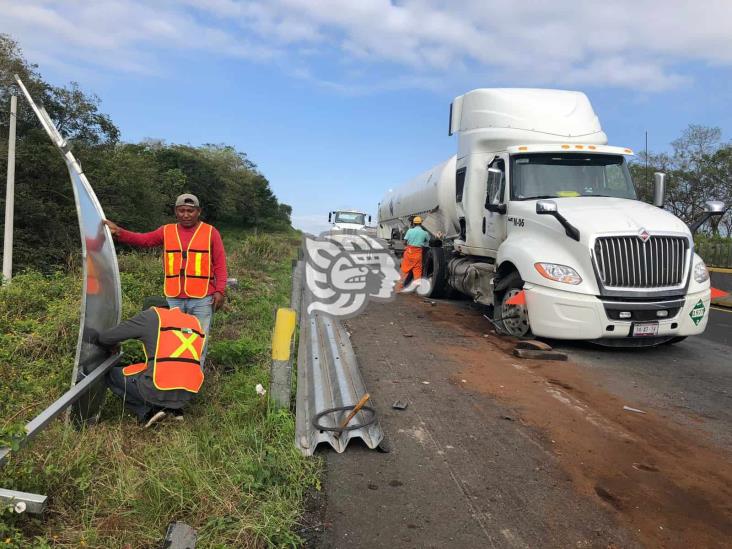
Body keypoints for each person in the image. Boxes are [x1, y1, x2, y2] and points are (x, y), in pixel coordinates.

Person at [104, 193, 227, 365]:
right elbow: (144, 240)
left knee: (199, 340)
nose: (186, 214)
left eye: (190, 211)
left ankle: (195, 378)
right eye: (181, 210)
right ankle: (176, 376)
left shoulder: (211, 232)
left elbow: (220, 263)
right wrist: (119, 232)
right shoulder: (166, 231)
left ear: (198, 211)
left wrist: (220, 290)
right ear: (176, 212)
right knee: (175, 339)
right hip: (174, 297)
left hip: (202, 298)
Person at [96, 305, 205, 427]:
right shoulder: (193, 321)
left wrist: (112, 344)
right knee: (154, 367)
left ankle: (148, 411)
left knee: (110, 374)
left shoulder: (150, 316)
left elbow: (105, 338)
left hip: (158, 389)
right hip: (189, 392)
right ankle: (174, 409)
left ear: (150, 308)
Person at [399, 216, 431, 291]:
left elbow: (405, 242)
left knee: (405, 269)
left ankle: (401, 285)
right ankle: (417, 287)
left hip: (409, 252)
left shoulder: (410, 231)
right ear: (421, 223)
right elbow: (428, 241)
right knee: (417, 270)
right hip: (418, 253)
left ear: (413, 223)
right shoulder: (425, 233)